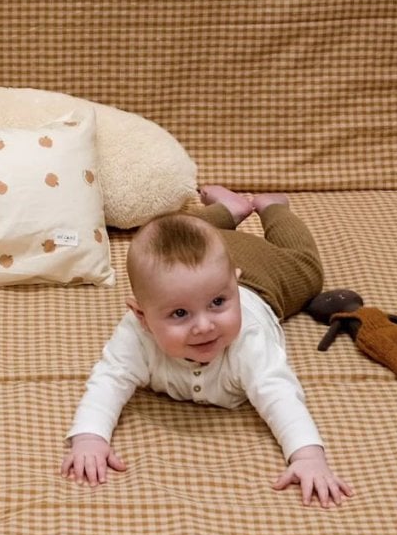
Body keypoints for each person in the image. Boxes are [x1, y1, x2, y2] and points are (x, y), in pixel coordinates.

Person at [59, 185, 353, 508]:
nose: (204, 326)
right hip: (210, 266)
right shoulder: (136, 336)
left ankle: (273, 208)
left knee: (308, 271)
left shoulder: (248, 340)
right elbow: (109, 380)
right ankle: (228, 210)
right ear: (142, 317)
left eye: (218, 304)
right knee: (179, 234)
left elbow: (278, 392)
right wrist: (89, 438)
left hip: (262, 276)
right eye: (180, 314)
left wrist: (308, 456)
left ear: (233, 287)